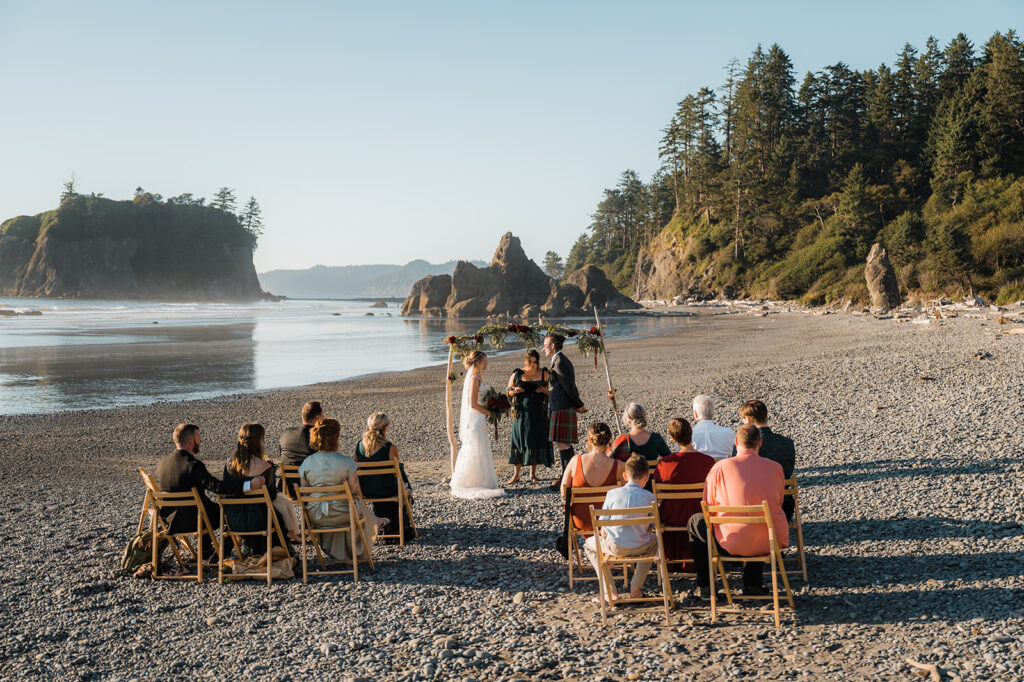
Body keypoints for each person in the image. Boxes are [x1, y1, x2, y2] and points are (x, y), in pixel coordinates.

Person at [687, 424, 789, 598]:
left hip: (730, 542)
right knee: (759, 517)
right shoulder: (775, 468)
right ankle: (752, 584)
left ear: (736, 442)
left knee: (696, 521)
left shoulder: (719, 468)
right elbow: (779, 502)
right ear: (760, 443)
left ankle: (706, 586)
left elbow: (707, 506)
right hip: (769, 541)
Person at [156, 423, 264, 560]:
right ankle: (220, 554)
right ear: (190, 441)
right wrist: (249, 484)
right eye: (198, 438)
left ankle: (206, 550)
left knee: (203, 506)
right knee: (233, 512)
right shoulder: (193, 465)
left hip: (169, 519)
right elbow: (217, 487)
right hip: (194, 519)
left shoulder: (163, 463)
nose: (200, 441)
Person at [298, 418, 384, 561]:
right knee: (358, 505)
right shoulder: (346, 462)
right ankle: (357, 551)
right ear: (336, 438)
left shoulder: (307, 463)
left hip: (316, 517)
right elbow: (355, 492)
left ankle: (339, 552)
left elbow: (305, 493)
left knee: (351, 506)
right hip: (343, 515)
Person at [584, 454, 659, 603]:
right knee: (657, 541)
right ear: (647, 476)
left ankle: (610, 591)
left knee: (588, 545)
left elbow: (602, 525)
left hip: (615, 547)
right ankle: (636, 589)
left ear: (625, 475)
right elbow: (652, 526)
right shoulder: (650, 497)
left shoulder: (612, 494)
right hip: (641, 546)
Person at [221, 423, 300, 555]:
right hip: (260, 521)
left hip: (233, 520)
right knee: (279, 508)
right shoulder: (265, 467)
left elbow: (226, 489)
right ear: (259, 441)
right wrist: (271, 471)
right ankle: (287, 543)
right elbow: (271, 496)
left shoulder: (229, 464)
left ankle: (226, 553)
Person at [653, 417, 715, 566]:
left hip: (672, 516)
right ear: (691, 433)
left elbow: (657, 494)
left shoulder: (664, 463)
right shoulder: (707, 461)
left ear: (672, 438)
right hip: (699, 515)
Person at [450, 351, 505, 499]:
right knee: (475, 447)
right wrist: (490, 413)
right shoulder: (474, 379)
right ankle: (472, 482)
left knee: (480, 447)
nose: (487, 363)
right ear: (479, 361)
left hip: (480, 417)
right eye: (486, 360)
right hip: (476, 418)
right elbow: (473, 404)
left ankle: (481, 479)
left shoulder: (478, 376)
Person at [355, 412, 417, 542]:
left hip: (367, 491)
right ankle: (400, 524)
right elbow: (395, 474)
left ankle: (385, 523)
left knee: (384, 482)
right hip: (387, 490)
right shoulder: (391, 448)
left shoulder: (359, 446)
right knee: (401, 481)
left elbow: (355, 468)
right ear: (386, 427)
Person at [733, 399, 797, 521]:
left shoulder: (742, 445)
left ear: (748, 420)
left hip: (750, 508)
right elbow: (788, 472)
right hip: (782, 507)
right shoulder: (787, 443)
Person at [560, 422, 624, 533]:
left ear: (589, 439)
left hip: (580, 521)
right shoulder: (619, 466)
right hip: (608, 523)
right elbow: (625, 494)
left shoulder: (575, 461)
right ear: (610, 440)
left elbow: (563, 492)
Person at [544, 333, 587, 491]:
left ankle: (566, 478)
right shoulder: (558, 360)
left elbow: (569, 387)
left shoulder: (560, 362)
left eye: (546, 345)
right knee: (564, 443)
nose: (543, 348)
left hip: (562, 406)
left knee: (563, 443)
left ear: (553, 346)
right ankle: (570, 475)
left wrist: (579, 404)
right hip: (561, 406)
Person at [506, 349, 552, 483]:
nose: (532, 364)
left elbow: (554, 392)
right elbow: (507, 391)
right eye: (529, 361)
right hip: (521, 413)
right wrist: (514, 391)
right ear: (525, 361)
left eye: (535, 362)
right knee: (519, 440)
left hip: (538, 413)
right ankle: (516, 474)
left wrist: (545, 391)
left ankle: (532, 474)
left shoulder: (544, 373)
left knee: (534, 440)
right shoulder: (517, 373)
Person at [610, 403, 672, 489]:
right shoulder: (656, 439)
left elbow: (609, 461)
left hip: (629, 488)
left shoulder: (622, 440)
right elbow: (670, 458)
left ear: (628, 422)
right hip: (652, 487)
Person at [279, 401, 323, 495]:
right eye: (323, 416)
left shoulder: (286, 434)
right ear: (317, 418)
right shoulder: (317, 438)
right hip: (310, 489)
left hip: (287, 487)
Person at [690, 394, 734, 460]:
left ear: (695, 414)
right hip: (723, 469)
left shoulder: (687, 436)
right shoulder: (729, 432)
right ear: (712, 413)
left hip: (698, 469)